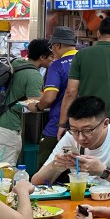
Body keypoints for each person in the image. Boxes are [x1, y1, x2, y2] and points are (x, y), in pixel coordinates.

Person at [0, 40, 53, 167]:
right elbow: (33, 105)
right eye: (51, 56)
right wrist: (50, 100)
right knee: (4, 167)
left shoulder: (13, 63)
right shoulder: (34, 75)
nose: (53, 59)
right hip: (5, 124)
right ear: (42, 57)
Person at [27, 27, 78, 169]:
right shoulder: (86, 61)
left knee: (47, 166)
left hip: (58, 126)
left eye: (52, 46)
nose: (52, 51)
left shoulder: (57, 65)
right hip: (84, 126)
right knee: (75, 167)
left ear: (58, 45)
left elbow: (49, 97)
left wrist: (37, 106)